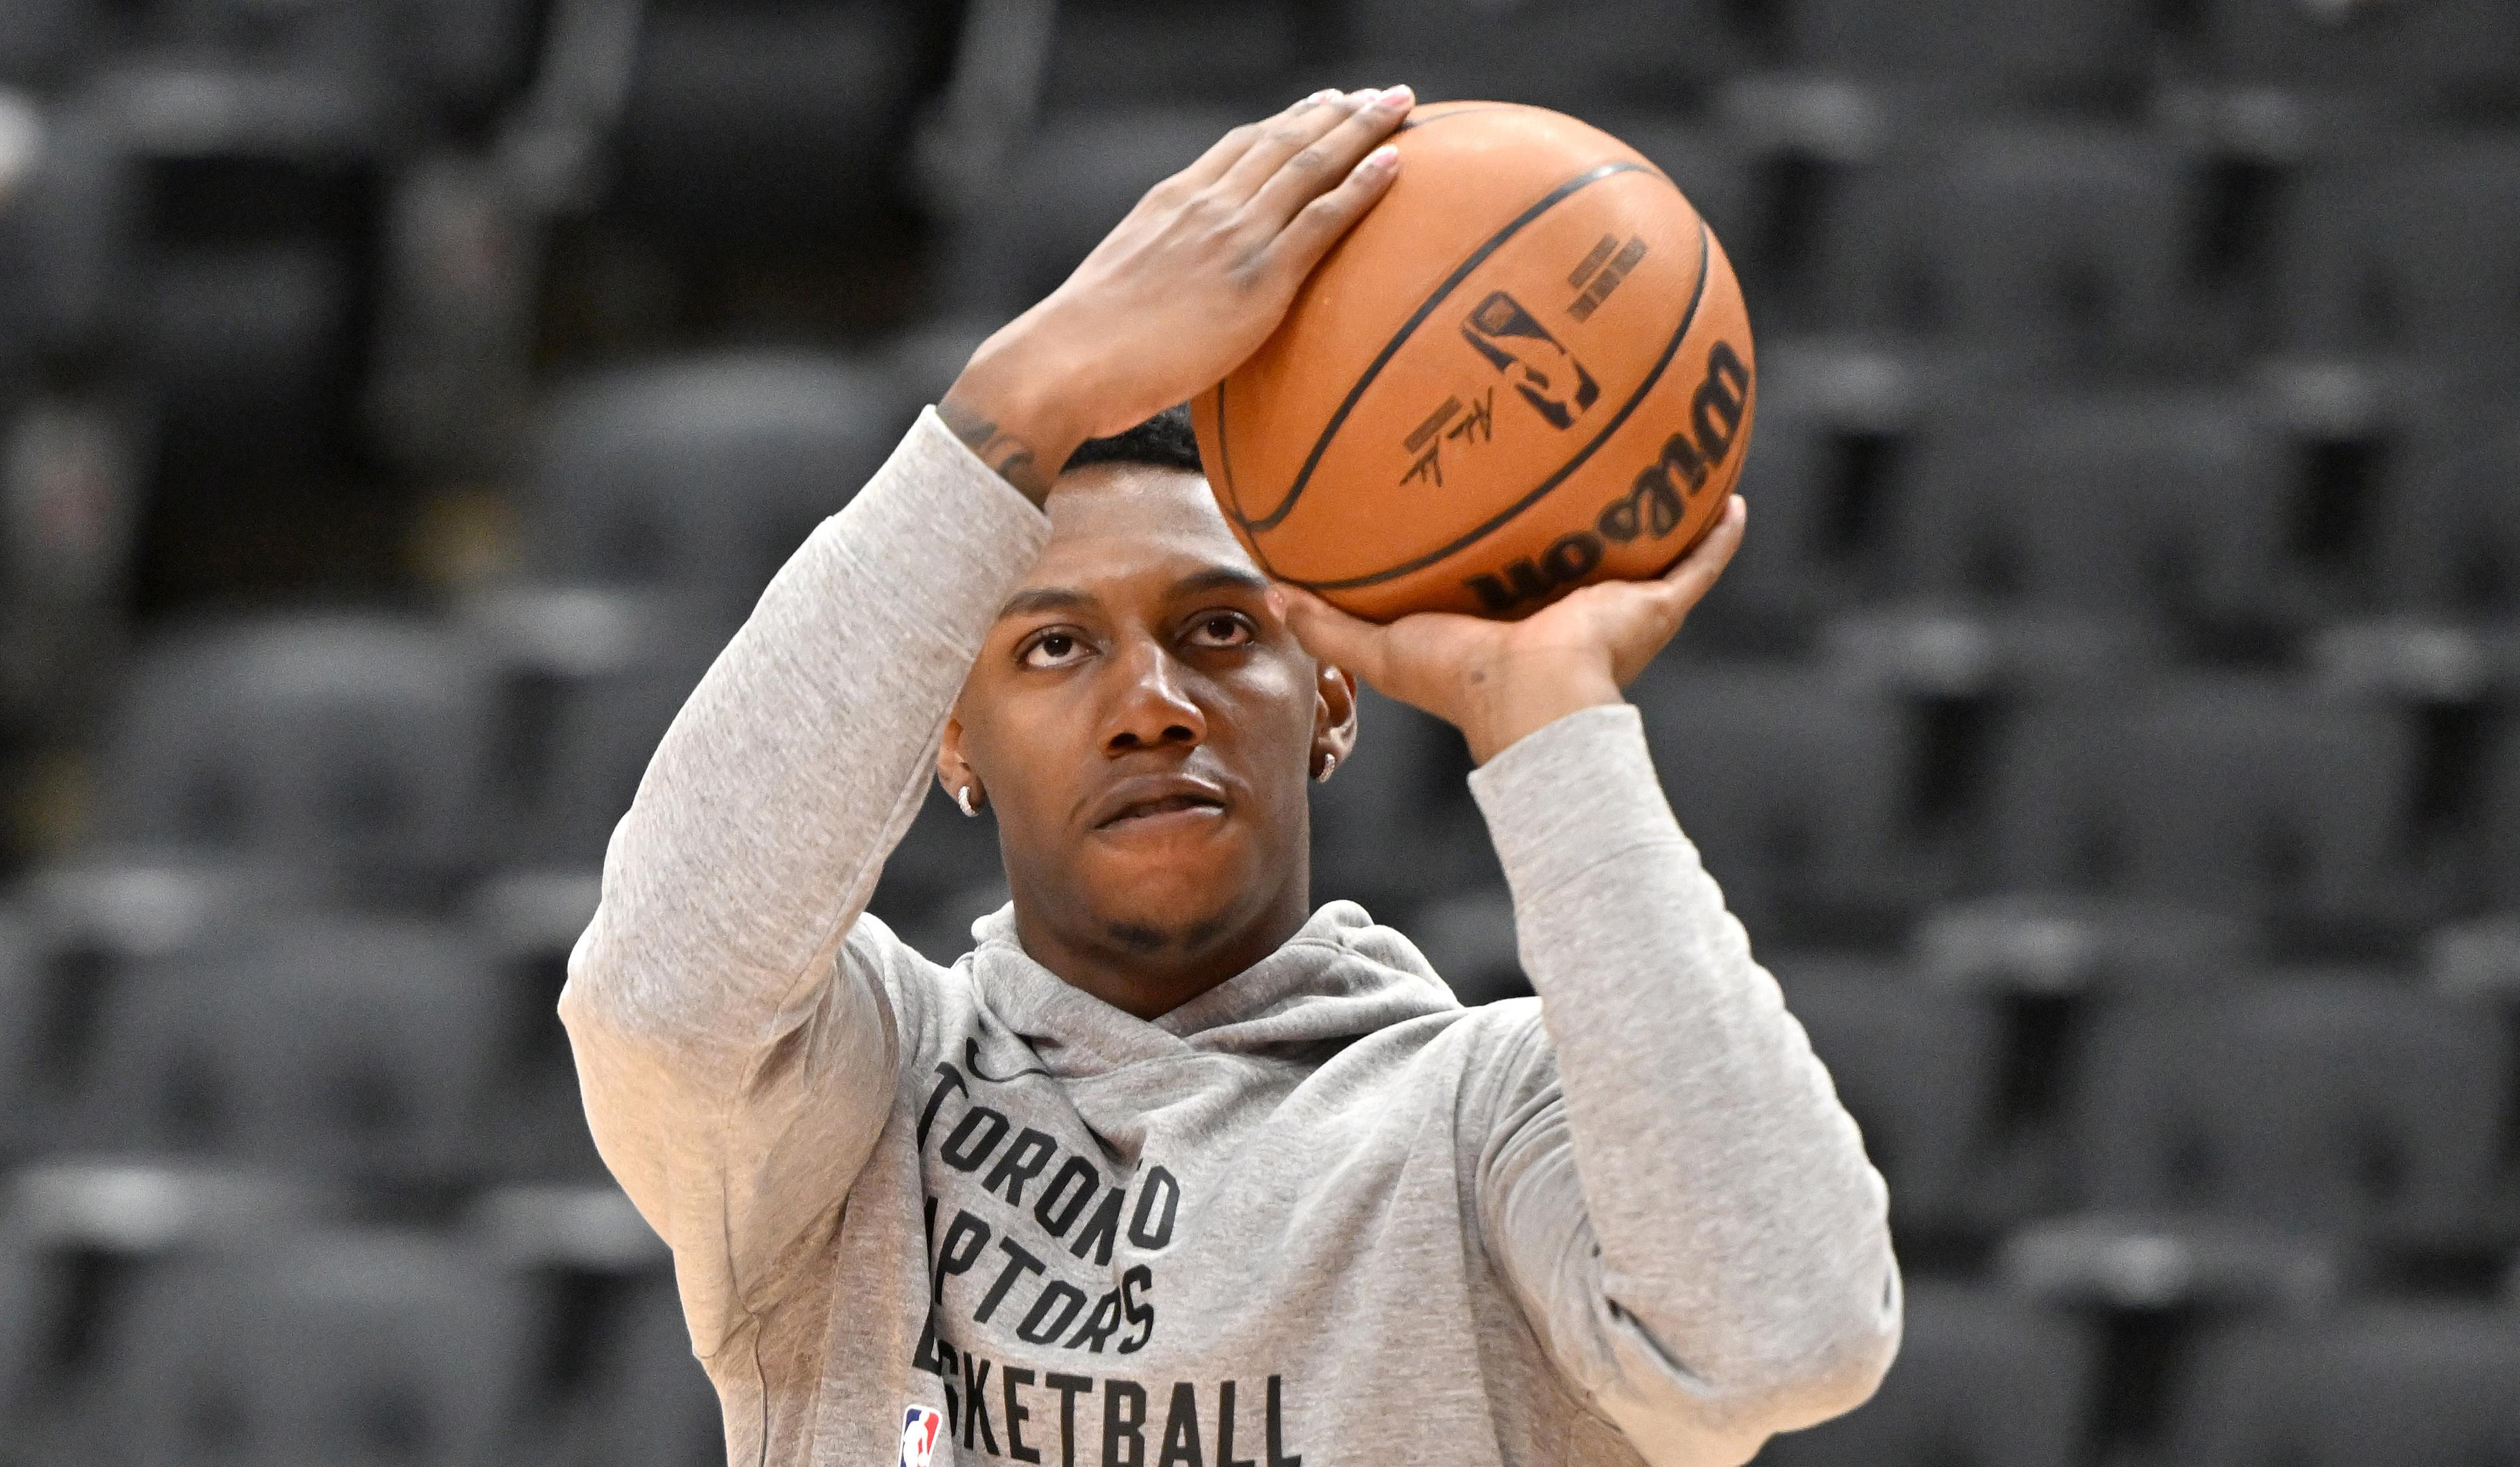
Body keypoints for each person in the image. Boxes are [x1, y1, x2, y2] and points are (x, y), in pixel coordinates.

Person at [561, 84, 1901, 1467]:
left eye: (1217, 631)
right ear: (945, 738)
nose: (1148, 705)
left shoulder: (1485, 1119)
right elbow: (660, 995)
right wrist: (1020, 398)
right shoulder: (854, 1107)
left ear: (1330, 695)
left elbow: (1783, 1337)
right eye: (1053, 648)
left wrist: (1551, 720)